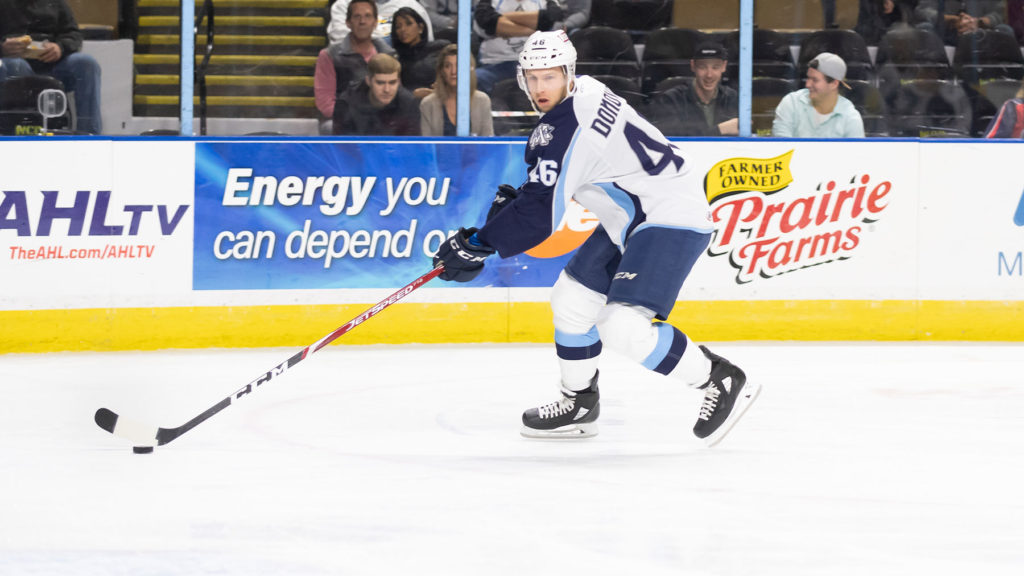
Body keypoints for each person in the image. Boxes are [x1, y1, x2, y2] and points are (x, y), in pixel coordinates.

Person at [430, 30, 761, 445]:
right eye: (532, 77)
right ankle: (580, 403)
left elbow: (541, 214)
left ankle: (719, 379)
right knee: (570, 301)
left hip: (670, 216)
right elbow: (565, 177)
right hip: (635, 214)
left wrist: (478, 244)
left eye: (550, 77)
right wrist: (519, 207)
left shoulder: (568, 125)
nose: (540, 88)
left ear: (568, 73)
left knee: (621, 325)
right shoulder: (587, 90)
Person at [0, 0, 102, 134]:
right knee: (15, 65)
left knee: (86, 64)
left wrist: (60, 47)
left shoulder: (56, 2)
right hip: (14, 63)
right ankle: (17, 132)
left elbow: (73, 34)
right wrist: (2, 48)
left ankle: (90, 133)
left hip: (54, 64)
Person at [314, 0, 394, 128]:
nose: (362, 21)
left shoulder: (388, 54)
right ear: (348, 22)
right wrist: (356, 119)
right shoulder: (329, 55)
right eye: (357, 16)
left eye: (368, 16)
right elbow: (325, 103)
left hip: (380, 121)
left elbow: (395, 97)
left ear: (375, 22)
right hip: (343, 121)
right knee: (329, 127)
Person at [472, 0, 572, 94]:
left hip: (538, 65)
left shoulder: (546, 2)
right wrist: (535, 28)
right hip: (495, 66)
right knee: (474, 79)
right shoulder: (488, 2)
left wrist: (500, 19)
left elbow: (552, 19)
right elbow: (486, 22)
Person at [646, 41, 738, 137]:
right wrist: (719, 130)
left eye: (715, 67)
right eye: (702, 67)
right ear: (693, 66)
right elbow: (669, 138)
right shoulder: (671, 100)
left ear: (724, 66)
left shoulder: (733, 98)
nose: (709, 75)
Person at [772, 52, 865, 138]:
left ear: (834, 84)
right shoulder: (791, 103)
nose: (807, 84)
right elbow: (782, 145)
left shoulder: (850, 117)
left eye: (815, 80)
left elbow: (855, 150)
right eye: (808, 78)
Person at [333, 53, 420, 135]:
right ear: (368, 81)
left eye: (392, 82)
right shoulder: (346, 103)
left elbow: (412, 143)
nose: (387, 90)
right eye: (380, 83)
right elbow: (342, 143)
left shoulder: (409, 103)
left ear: (398, 82)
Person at [419, 44, 494, 136]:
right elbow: (426, 143)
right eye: (447, 66)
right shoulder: (428, 104)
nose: (453, 71)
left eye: (459, 65)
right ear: (441, 71)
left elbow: (488, 140)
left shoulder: (482, 100)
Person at [390, 7, 450, 96]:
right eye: (398, 27)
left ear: (420, 28)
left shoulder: (441, 48)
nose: (403, 29)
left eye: (408, 24)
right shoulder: (397, 61)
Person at [327, 0, 433, 46]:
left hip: (400, 71)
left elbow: (425, 45)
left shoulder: (411, 5)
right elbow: (340, 41)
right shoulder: (343, 5)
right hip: (352, 69)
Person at [915, 0, 1015, 44]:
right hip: (944, 31)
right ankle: (927, 77)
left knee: (1004, 31)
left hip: (981, 31)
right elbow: (923, 10)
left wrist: (977, 22)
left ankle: (1002, 78)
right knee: (924, 29)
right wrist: (950, 19)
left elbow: (1000, 13)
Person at [855, 0, 921, 45]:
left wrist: (894, 2)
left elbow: (913, 4)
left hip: (902, 27)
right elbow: (865, 19)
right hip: (872, 30)